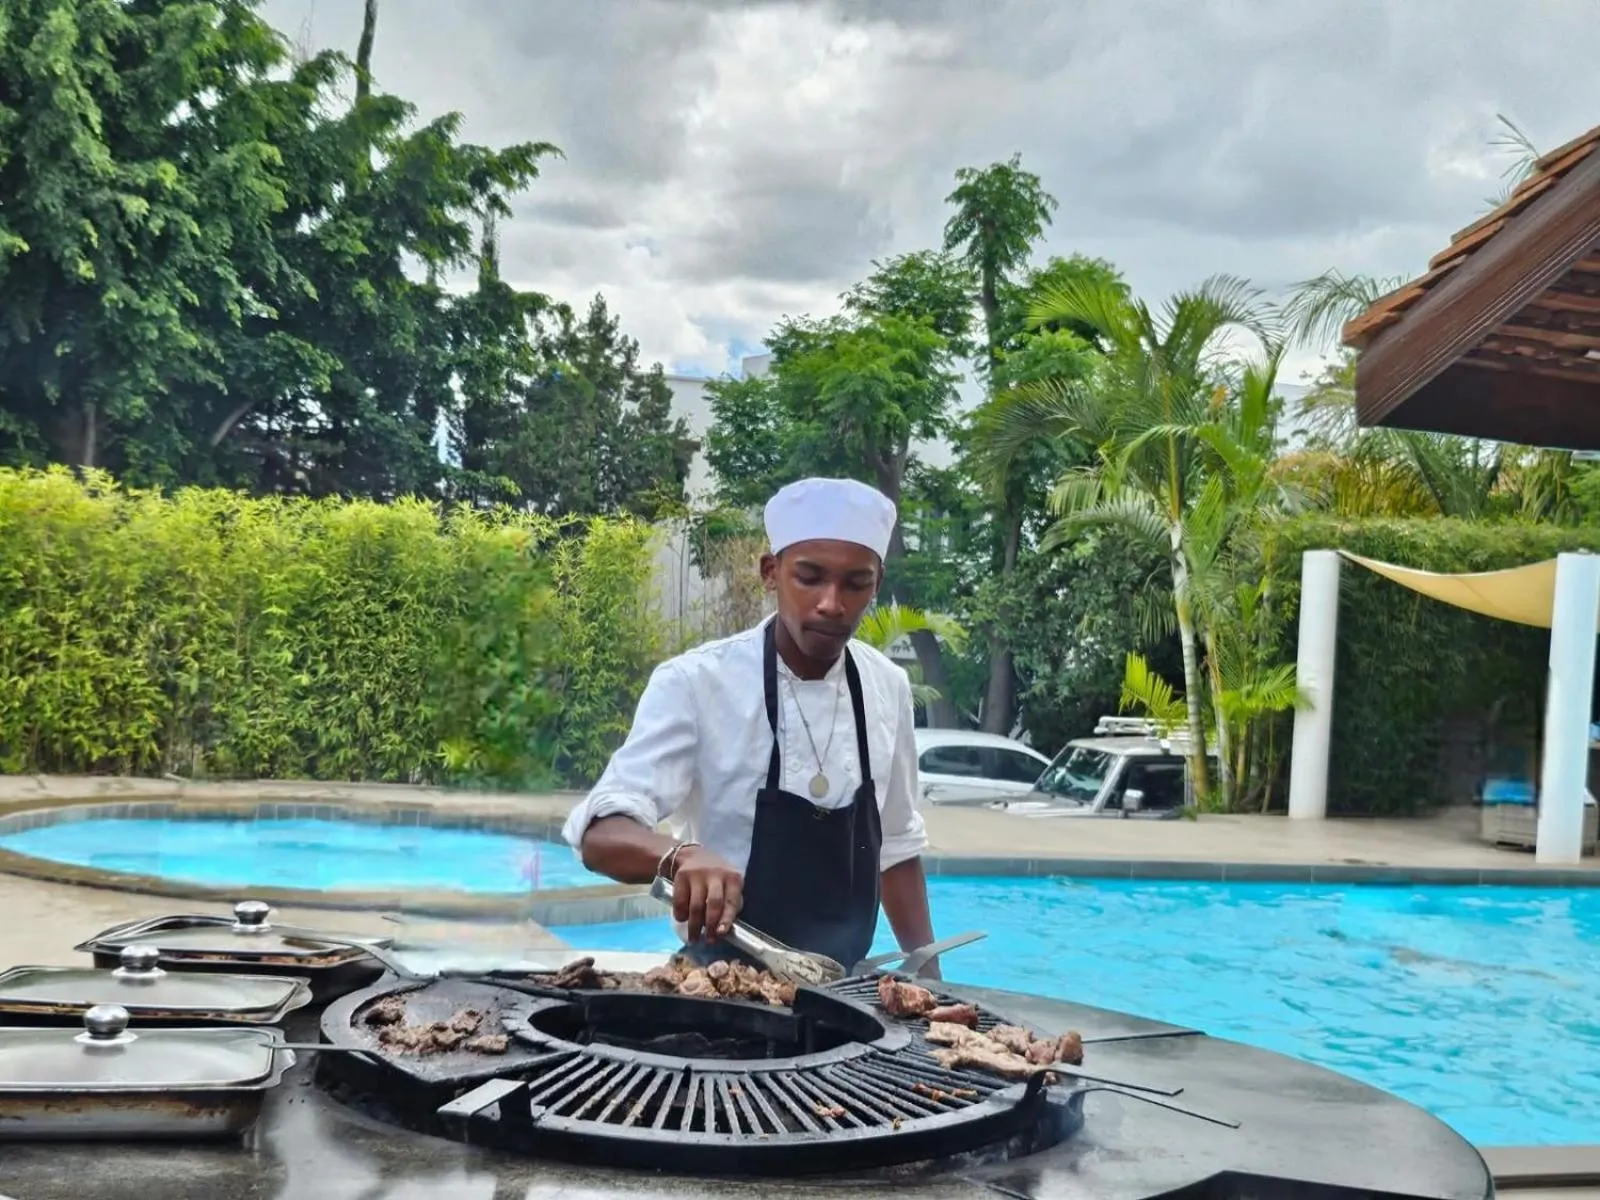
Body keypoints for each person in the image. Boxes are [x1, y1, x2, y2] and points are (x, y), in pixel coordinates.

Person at [561, 476, 938, 976]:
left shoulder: (887, 687)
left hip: (840, 991)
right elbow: (599, 834)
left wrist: (930, 980)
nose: (832, 602)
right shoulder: (696, 683)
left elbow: (898, 849)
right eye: (810, 577)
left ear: (877, 584)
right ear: (770, 572)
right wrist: (679, 856)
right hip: (718, 985)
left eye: (856, 583)